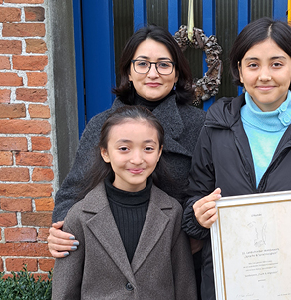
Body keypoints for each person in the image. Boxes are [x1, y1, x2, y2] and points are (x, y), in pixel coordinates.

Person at [182, 17, 291, 300]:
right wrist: (198, 214)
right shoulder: (215, 131)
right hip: (227, 288)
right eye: (253, 64)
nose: (264, 75)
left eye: (276, 64)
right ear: (239, 71)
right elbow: (194, 197)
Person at [47, 24, 205, 256]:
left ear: (176, 73)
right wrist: (62, 231)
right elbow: (73, 192)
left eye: (164, 64)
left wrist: (196, 231)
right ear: (128, 72)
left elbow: (209, 190)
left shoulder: (200, 125)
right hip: (111, 256)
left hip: (178, 254)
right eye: (142, 64)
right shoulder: (101, 125)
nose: (153, 73)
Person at [52, 105, 197, 300]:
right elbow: (64, 292)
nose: (137, 159)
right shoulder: (79, 216)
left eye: (148, 148)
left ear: (159, 152)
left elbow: (184, 287)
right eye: (124, 149)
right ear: (105, 153)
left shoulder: (172, 212)